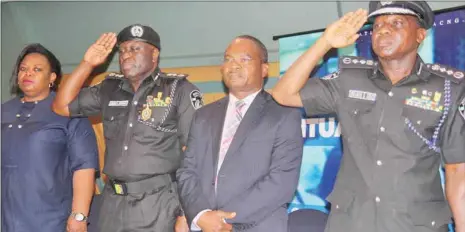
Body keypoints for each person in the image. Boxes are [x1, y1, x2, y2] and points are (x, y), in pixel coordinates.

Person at [272, 1, 465, 232]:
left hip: (416, 224)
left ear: (420, 35)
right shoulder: (349, 80)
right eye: (378, 25)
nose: (383, 29)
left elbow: (457, 171)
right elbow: (283, 94)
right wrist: (324, 43)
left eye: (397, 23)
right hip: (352, 222)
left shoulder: (447, 88)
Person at [52, 24, 201, 232]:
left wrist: (187, 213)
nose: (125, 55)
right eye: (122, 50)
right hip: (112, 203)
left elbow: (195, 155)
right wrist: (87, 64)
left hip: (158, 204)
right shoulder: (109, 88)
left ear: (155, 54)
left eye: (135, 49)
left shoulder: (178, 90)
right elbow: (61, 106)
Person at [177, 35, 303, 232]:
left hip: (257, 225)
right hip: (205, 225)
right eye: (228, 59)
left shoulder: (284, 114)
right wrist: (201, 215)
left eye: (244, 59)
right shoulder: (203, 115)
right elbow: (187, 171)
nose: (233, 65)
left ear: (264, 69)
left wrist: (222, 220)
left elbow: (282, 181)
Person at [1, 43, 99, 232]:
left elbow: (84, 167)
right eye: (23, 69)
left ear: (52, 78)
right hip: (7, 217)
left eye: (37, 69)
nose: (27, 74)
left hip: (51, 219)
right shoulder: (4, 110)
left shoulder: (69, 112)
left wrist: (79, 216)